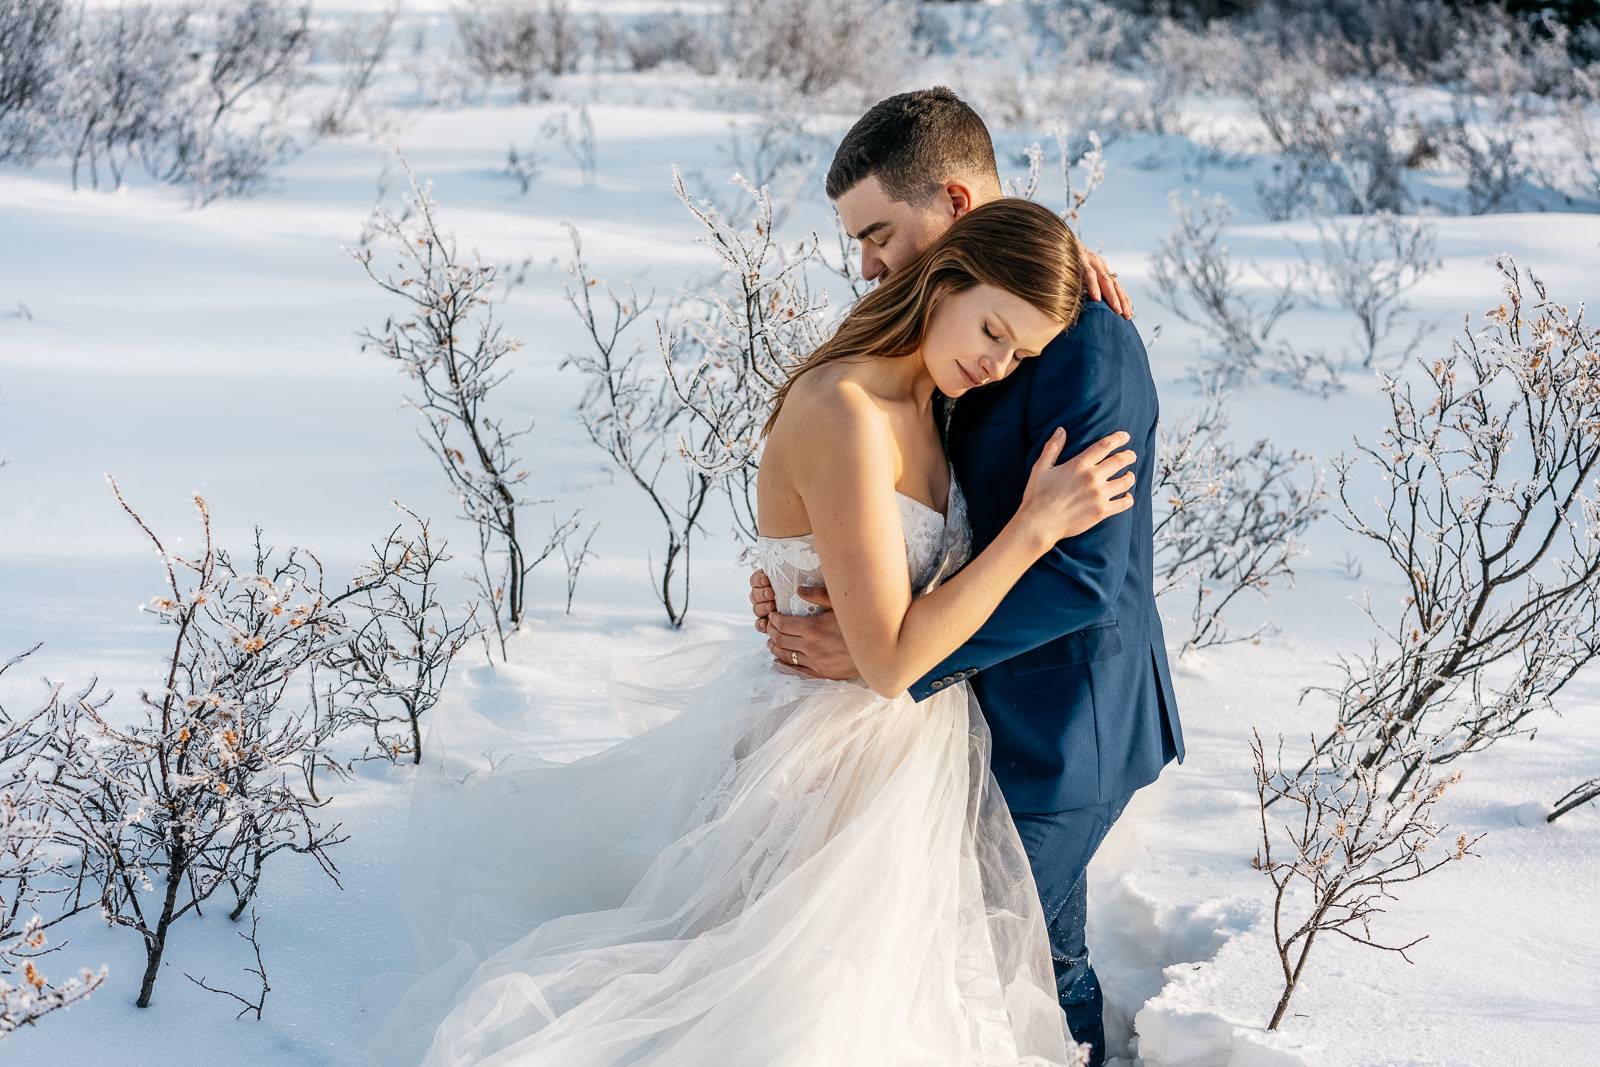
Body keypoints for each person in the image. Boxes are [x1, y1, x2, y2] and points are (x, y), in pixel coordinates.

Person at [356, 195, 1140, 1065]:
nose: (999, 364)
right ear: (948, 276)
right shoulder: (848, 408)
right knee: (797, 1008)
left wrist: (1064, 253)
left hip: (911, 767)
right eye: (994, 329)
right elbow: (887, 661)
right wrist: (1033, 528)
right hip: (831, 759)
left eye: (1020, 351)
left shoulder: (935, 400)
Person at [750, 87, 1185, 1067]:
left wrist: (884, 658)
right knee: (1006, 964)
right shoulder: (943, 322)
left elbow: (1083, 574)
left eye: (878, 232)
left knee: (995, 964)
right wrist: (804, 573)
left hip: (1058, 720)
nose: (865, 262)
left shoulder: (1082, 337)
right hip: (962, 720)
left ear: (951, 202)